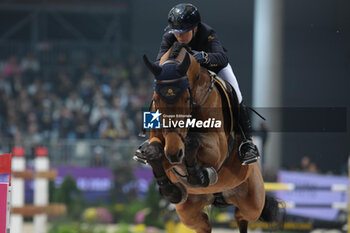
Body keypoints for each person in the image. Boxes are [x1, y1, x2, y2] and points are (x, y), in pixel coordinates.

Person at [156, 3, 259, 165]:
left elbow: (222, 57)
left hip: (214, 68)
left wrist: (204, 57)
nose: (179, 37)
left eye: (183, 32)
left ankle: (247, 143)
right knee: (159, 91)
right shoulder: (169, 35)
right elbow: (159, 61)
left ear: (195, 29)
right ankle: (151, 137)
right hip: (186, 74)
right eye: (176, 33)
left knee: (236, 96)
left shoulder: (207, 33)